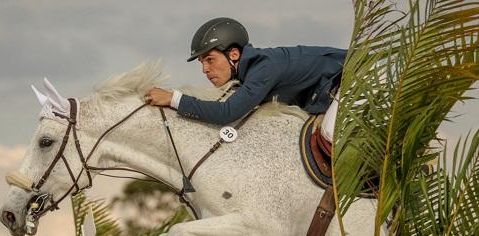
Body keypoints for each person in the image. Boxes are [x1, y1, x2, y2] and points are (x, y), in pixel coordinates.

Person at [145, 17, 346, 145]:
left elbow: (227, 112)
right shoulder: (252, 72)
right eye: (201, 62)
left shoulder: (264, 68)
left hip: (358, 80)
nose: (205, 69)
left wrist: (174, 99)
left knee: (328, 133)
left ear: (233, 54)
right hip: (341, 89)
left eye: (210, 59)